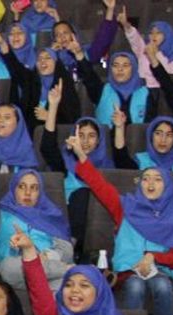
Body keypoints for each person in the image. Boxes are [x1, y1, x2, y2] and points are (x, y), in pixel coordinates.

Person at [69, 133, 173, 315]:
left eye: (158, 179)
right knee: (135, 287)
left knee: (162, 286)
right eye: (146, 179)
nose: (150, 183)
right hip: (128, 271)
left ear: (167, 186)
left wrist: (153, 257)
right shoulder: (126, 207)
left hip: (161, 271)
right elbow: (99, 185)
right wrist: (80, 153)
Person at [0, 135, 72, 290]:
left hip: (49, 274)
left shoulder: (50, 215)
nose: (28, 193)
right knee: (7, 267)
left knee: (62, 288)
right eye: (22, 187)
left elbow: (67, 250)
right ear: (13, 190)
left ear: (40, 193)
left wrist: (47, 256)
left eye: (34, 188)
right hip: (20, 274)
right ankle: (66, 270)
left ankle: (54, 273)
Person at [11, 233, 141, 315]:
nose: (75, 290)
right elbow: (37, 287)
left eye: (84, 285)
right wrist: (28, 250)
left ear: (100, 294)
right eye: (68, 285)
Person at [39, 80, 113, 261]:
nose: (85, 141)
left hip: (97, 221)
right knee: (80, 195)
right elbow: (47, 147)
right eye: (81, 135)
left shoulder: (107, 167)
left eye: (91, 136)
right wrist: (53, 107)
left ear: (99, 140)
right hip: (64, 218)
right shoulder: (66, 161)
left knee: (85, 194)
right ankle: (70, 247)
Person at [113, 115, 173, 213]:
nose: (163, 139)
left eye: (169, 135)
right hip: (145, 213)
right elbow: (121, 160)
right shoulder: (141, 159)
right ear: (151, 136)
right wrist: (119, 128)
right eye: (158, 133)